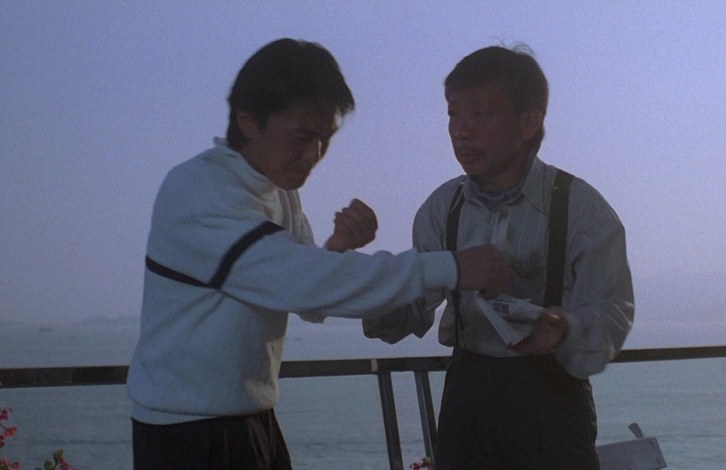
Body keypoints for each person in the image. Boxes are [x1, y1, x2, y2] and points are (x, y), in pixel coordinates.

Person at [126, 38, 510, 470]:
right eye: (302, 137)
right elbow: (307, 285)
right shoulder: (200, 192)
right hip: (187, 433)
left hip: (252, 419)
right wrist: (453, 266)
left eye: (325, 140)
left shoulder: (277, 191)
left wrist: (336, 250)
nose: (313, 156)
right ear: (248, 121)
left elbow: (305, 297)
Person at [363, 44, 634, 469]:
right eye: (453, 114)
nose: (461, 131)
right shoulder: (442, 208)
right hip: (467, 399)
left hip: (553, 404)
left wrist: (564, 331)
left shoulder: (580, 208)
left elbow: (611, 313)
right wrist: (370, 293)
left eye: (480, 114)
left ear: (528, 122)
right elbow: (412, 311)